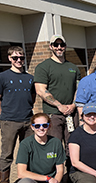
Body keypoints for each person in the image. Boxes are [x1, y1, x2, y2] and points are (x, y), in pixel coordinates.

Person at [0, 46, 35, 183]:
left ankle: (28, 179)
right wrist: (5, 115)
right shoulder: (2, 77)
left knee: (28, 152)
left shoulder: (30, 78)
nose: (19, 61)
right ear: (9, 58)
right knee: (7, 154)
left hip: (28, 121)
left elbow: (32, 97)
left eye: (21, 58)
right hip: (9, 122)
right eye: (15, 58)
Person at [34, 35, 81, 170]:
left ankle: (72, 172)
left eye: (62, 45)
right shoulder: (43, 67)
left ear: (65, 46)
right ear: (51, 47)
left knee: (72, 144)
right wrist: (59, 106)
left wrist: (73, 105)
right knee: (53, 144)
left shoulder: (73, 67)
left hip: (71, 114)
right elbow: (41, 90)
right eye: (56, 45)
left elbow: (78, 89)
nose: (59, 47)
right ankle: (54, 174)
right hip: (53, 114)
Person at [14, 113, 71, 183]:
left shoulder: (56, 142)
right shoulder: (26, 144)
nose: (41, 128)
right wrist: (47, 178)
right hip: (34, 182)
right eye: (37, 126)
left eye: (44, 125)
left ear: (49, 126)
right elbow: (21, 173)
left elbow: (60, 170)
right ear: (32, 127)